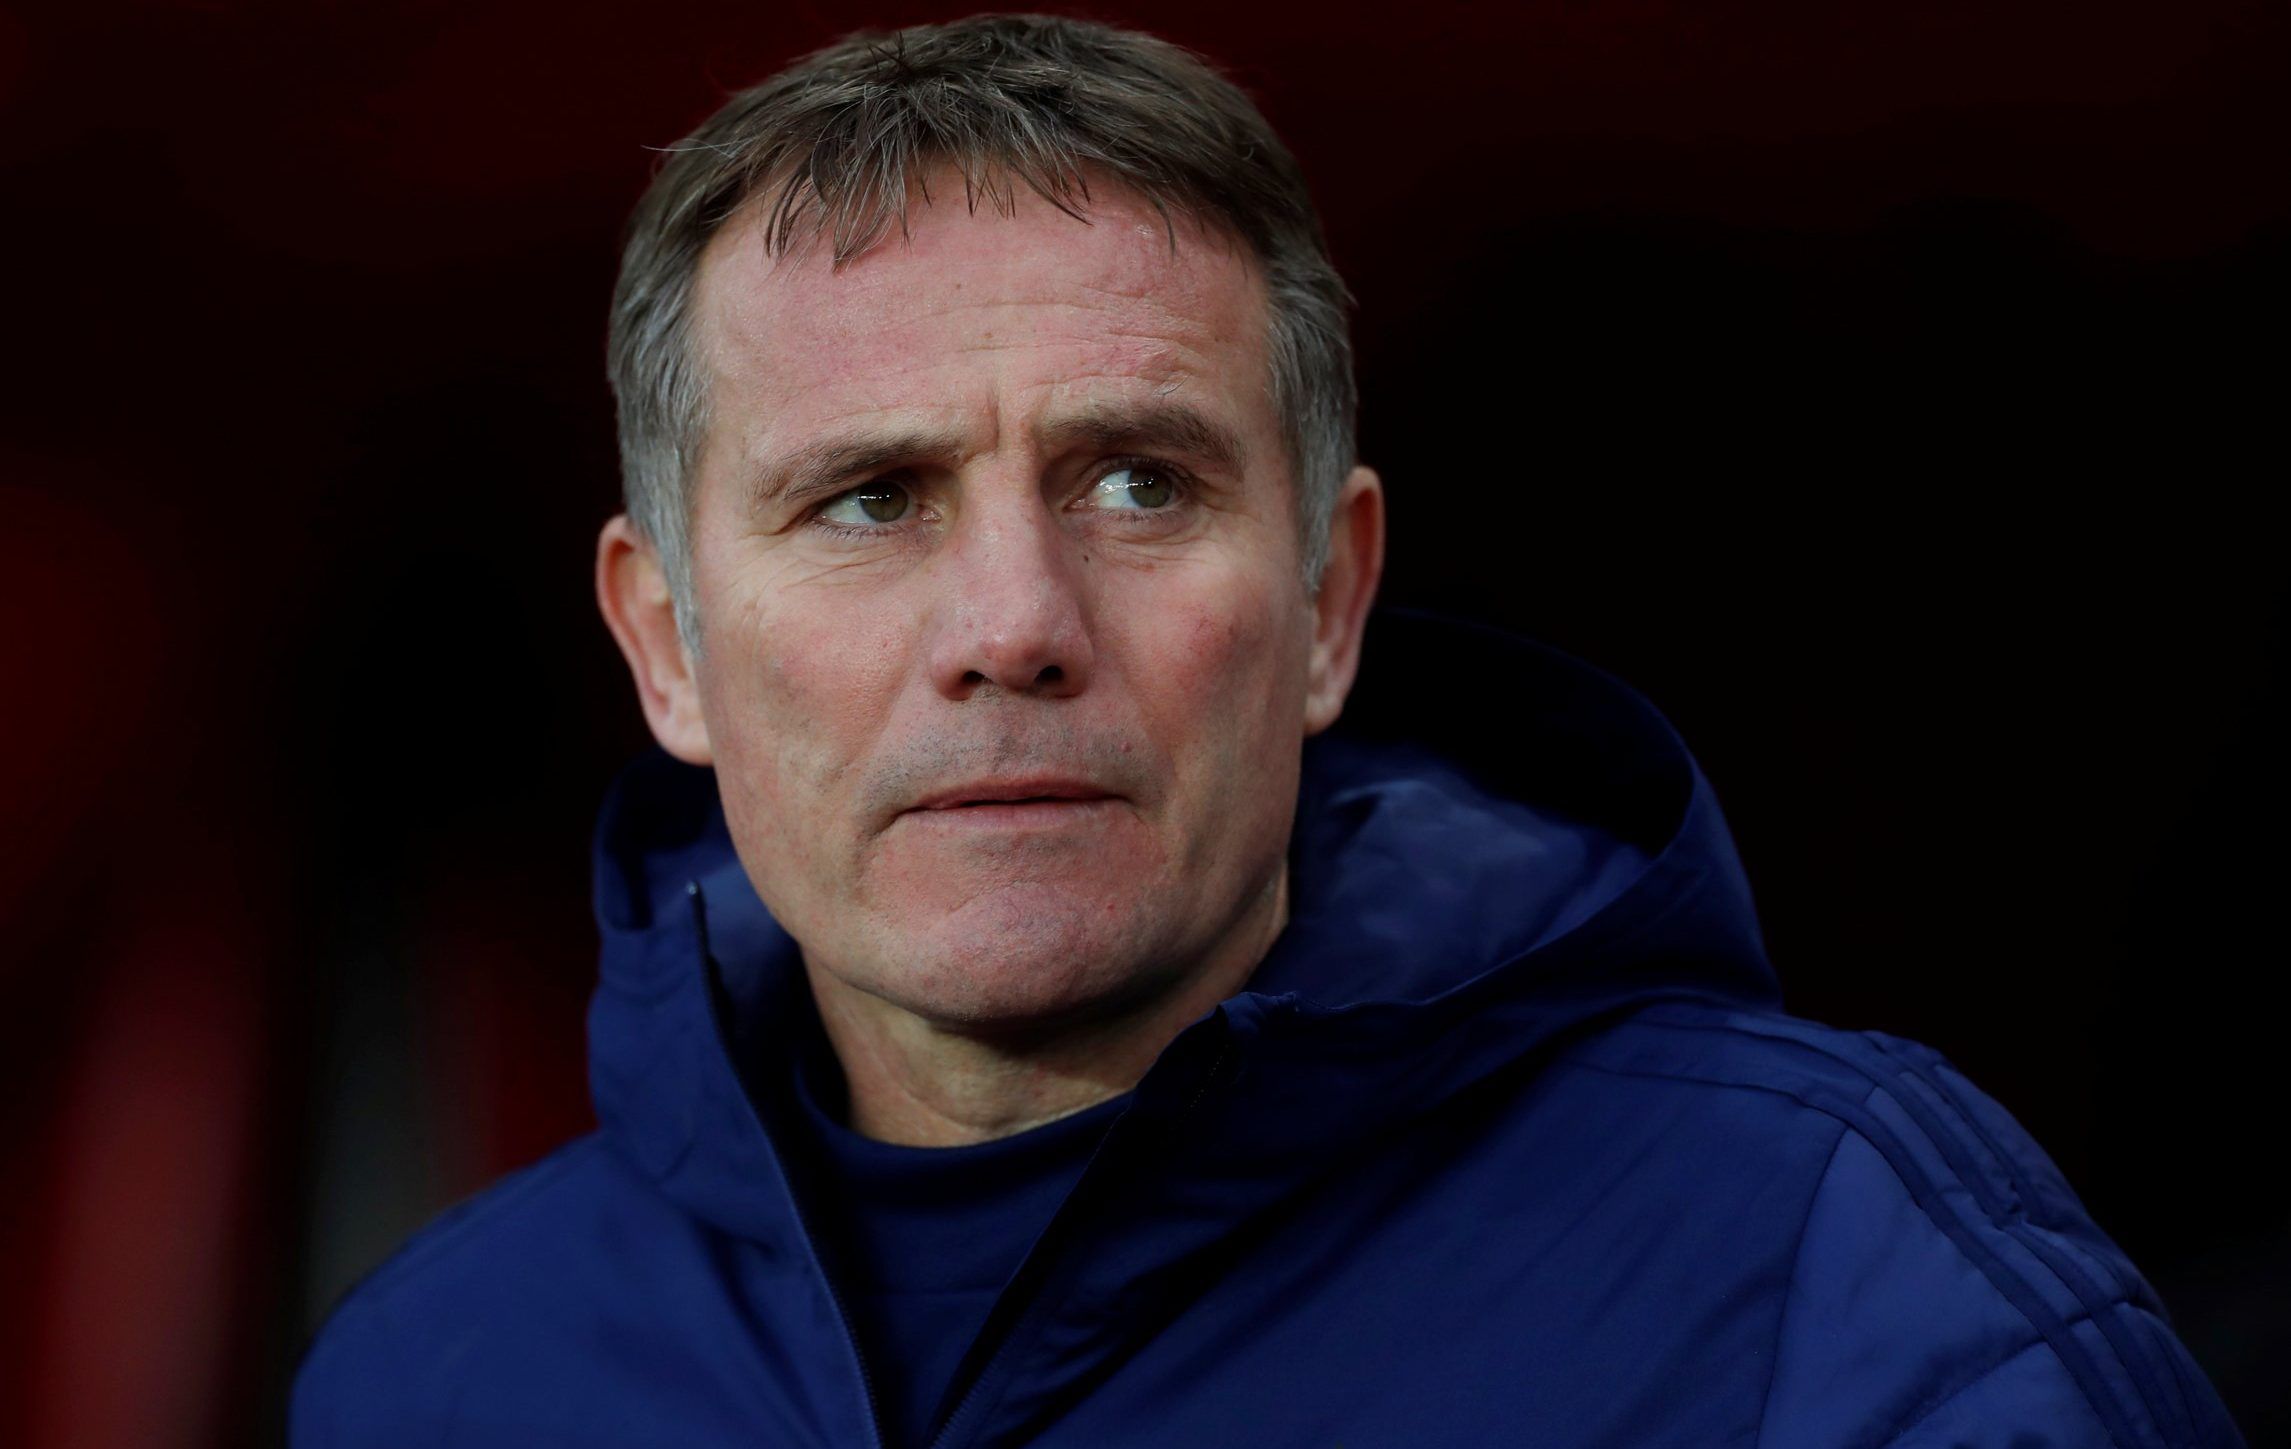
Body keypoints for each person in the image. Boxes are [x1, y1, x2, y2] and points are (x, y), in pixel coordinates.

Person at [290, 15, 2243, 1447]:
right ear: (668, 644)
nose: (1015, 624)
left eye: (1139, 481)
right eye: (872, 498)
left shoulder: (1835, 1278)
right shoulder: (435, 1379)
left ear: (1329, 599)